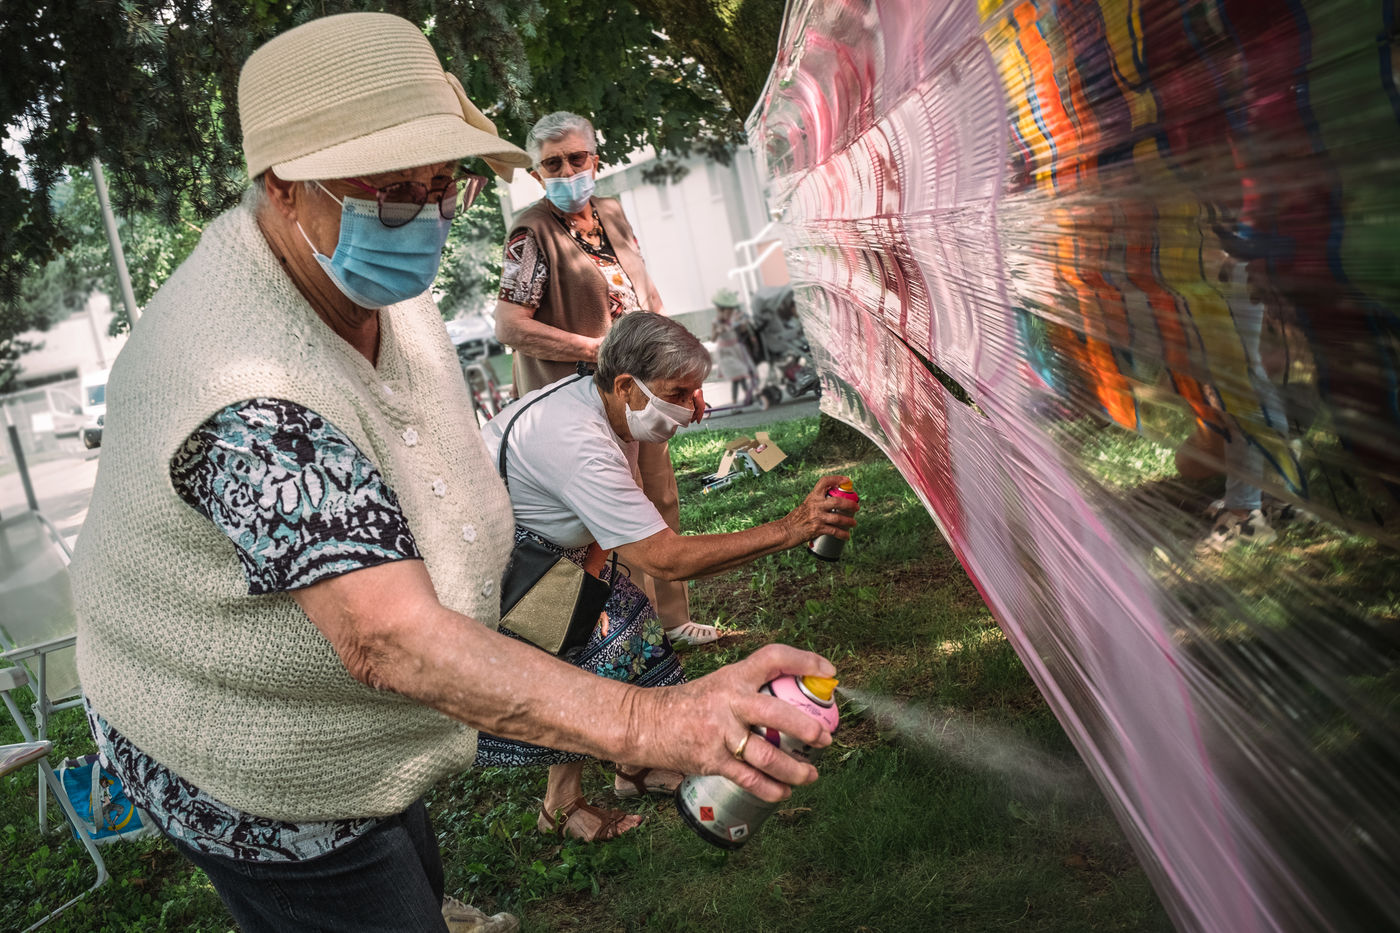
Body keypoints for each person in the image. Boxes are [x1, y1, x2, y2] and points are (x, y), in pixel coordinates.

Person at [69, 14, 838, 933]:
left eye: (446, 188)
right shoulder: (240, 386)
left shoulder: (364, 283)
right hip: (252, 767)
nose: (430, 219)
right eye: (397, 194)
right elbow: (388, 640)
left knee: (405, 860)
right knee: (365, 885)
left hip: (365, 737)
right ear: (284, 185)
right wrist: (647, 722)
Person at [477, 312, 859, 841]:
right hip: (511, 573)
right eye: (678, 393)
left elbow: (620, 531)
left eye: (696, 391)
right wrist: (792, 528)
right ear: (626, 386)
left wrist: (593, 574)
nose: (694, 408)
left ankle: (634, 768)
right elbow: (666, 559)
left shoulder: (607, 407)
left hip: (557, 553)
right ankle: (560, 807)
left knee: (628, 629)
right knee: (585, 663)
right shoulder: (576, 441)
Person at [493, 112, 714, 646]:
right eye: (552, 164)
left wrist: (681, 377)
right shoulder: (530, 232)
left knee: (659, 495)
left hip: (642, 389)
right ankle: (632, 628)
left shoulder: (612, 213)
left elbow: (648, 300)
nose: (566, 170)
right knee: (611, 523)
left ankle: (673, 621)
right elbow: (510, 326)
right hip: (583, 400)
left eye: (576, 158)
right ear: (537, 173)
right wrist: (601, 352)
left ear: (596, 158)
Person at [711, 289, 758, 405]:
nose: (731, 313)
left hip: (736, 349)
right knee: (737, 376)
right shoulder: (716, 322)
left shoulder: (732, 319)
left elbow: (740, 329)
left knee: (741, 376)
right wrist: (718, 331)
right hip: (726, 352)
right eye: (728, 311)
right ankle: (736, 401)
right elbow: (713, 339)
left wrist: (744, 326)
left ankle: (746, 396)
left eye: (732, 310)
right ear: (721, 310)